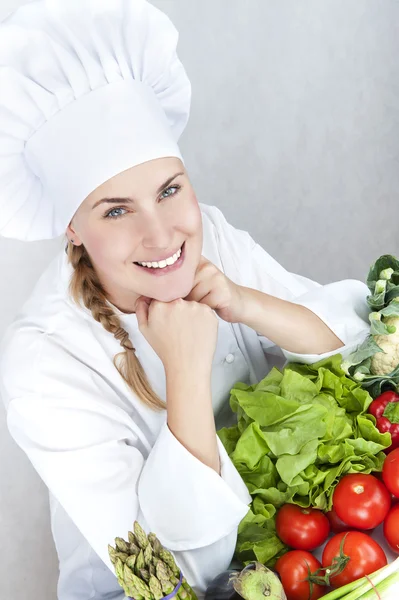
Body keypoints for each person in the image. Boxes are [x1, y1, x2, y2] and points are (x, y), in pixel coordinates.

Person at [0, 1, 370, 599]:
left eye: (169, 190)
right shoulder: (42, 363)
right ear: (71, 228)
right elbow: (173, 577)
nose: (162, 234)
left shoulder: (213, 237)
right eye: (115, 210)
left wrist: (246, 302)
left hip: (292, 555)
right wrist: (186, 372)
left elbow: (359, 358)